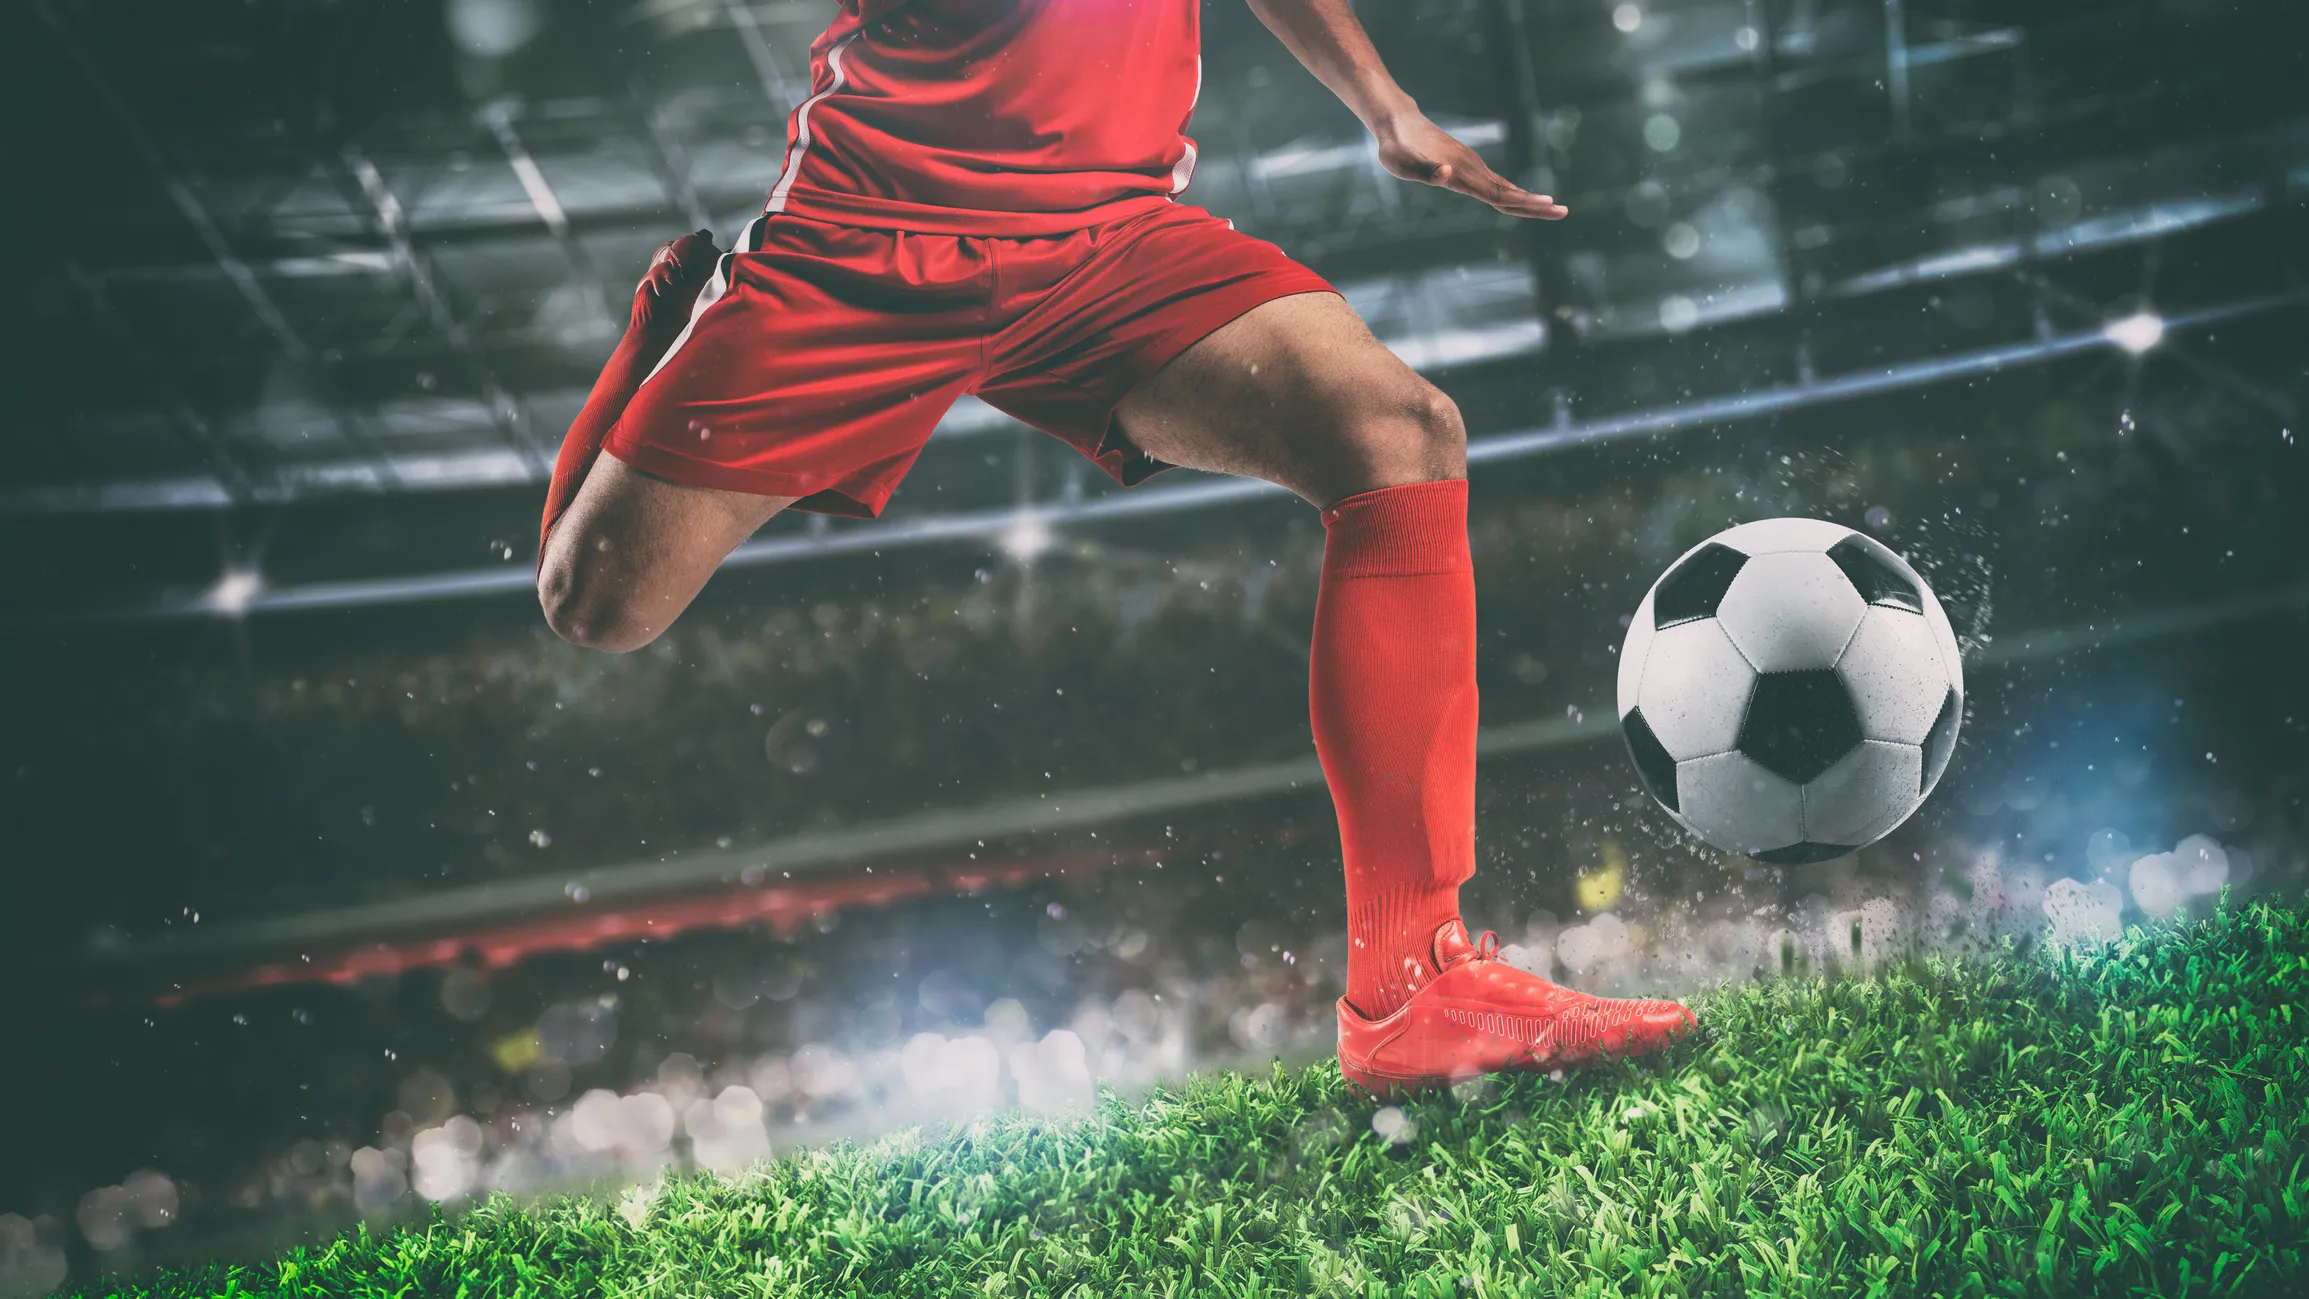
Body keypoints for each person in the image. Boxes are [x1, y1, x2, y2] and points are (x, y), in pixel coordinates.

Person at [537, 0, 1694, 1096]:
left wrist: (1383, 107)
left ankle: (1412, 988)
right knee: (595, 603)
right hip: (878, 232)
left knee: (1396, 433)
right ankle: (663, 342)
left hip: (1104, 233)